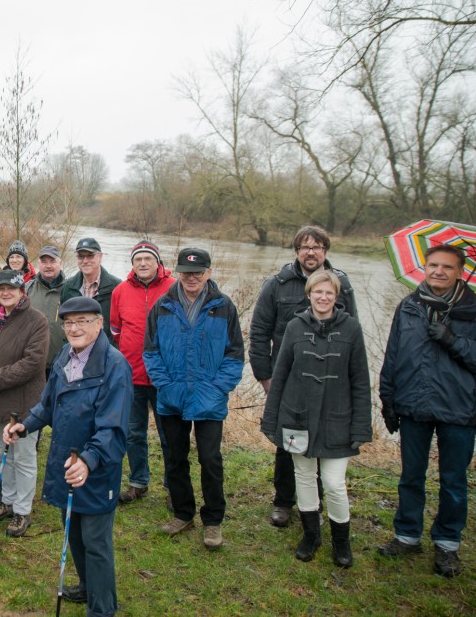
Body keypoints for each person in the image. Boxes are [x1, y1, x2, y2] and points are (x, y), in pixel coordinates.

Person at [4, 296, 132, 616]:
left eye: (83, 321)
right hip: (65, 463)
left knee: (95, 542)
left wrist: (88, 461)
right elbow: (47, 405)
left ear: (99, 323)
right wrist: (25, 426)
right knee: (73, 531)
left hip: (95, 469)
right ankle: (89, 587)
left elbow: (112, 429)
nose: (74, 328)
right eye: (69, 322)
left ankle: (102, 609)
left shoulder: (114, 366)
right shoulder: (64, 355)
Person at [377, 244, 476, 578]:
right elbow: (392, 355)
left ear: (460, 272)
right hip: (414, 405)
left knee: (453, 481)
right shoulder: (409, 306)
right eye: (433, 265)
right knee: (410, 476)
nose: (438, 272)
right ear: (424, 267)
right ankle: (407, 535)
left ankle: (447, 544)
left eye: (447, 267)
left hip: (459, 409)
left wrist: (452, 340)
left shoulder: (473, 309)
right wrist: (387, 399)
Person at [261, 270, 372, 568]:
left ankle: (341, 541)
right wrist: (270, 420)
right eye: (317, 292)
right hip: (297, 417)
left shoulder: (351, 329)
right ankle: (311, 535)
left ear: (337, 297)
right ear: (308, 294)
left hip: (338, 419)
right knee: (304, 477)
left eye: (329, 294)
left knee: (334, 483)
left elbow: (361, 380)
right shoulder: (295, 327)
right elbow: (280, 374)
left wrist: (361, 425)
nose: (323, 298)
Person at [249, 225, 358, 528]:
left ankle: (316, 503)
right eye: (305, 246)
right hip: (287, 381)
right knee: (288, 443)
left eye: (318, 246)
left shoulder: (342, 286)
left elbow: (354, 335)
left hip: (330, 383)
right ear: (296, 251)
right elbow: (259, 332)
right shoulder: (277, 284)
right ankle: (283, 501)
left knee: (325, 440)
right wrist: (265, 376)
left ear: (326, 251)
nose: (311, 252)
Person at [143, 248, 244, 549]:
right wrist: (165, 385)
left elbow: (235, 354)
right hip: (172, 398)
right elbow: (151, 352)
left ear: (208, 273)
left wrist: (217, 388)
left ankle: (212, 521)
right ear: (177, 272)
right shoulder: (163, 306)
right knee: (175, 458)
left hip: (209, 399)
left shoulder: (223, 307)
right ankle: (183, 513)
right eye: (186, 272)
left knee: (210, 459)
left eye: (198, 272)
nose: (192, 277)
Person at [0, 269, 49, 537]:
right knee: (4, 453)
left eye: (11, 288)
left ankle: (23, 511)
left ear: (21, 291)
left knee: (23, 457)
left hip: (25, 405)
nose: (5, 293)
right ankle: (9, 501)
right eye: (1, 288)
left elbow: (32, 363)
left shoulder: (36, 321)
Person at [110, 240, 174, 504]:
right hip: (132, 375)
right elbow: (115, 330)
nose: (143, 263)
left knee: (169, 434)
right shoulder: (120, 291)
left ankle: (174, 487)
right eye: (138, 259)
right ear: (132, 264)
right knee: (134, 432)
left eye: (148, 258)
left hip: (165, 377)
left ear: (158, 262)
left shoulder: (174, 288)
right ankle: (138, 482)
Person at [60, 237, 120, 345]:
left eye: (90, 256)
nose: (85, 261)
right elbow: (65, 322)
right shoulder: (68, 287)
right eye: (81, 256)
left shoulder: (116, 287)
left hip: (105, 354)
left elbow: (120, 328)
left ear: (100, 256)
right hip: (76, 351)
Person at [26, 245, 67, 378]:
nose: (48, 265)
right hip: (32, 363)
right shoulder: (28, 289)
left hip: (62, 365)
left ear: (60, 264)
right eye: (44, 262)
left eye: (52, 261)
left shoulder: (71, 290)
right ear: (38, 264)